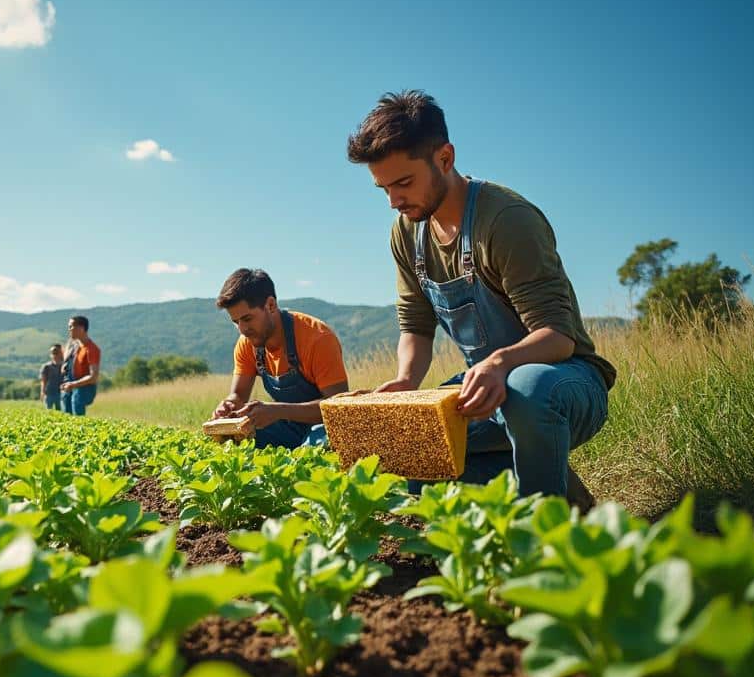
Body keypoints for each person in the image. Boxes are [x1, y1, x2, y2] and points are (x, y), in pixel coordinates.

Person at [346, 90, 614, 510]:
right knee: (410, 455)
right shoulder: (407, 231)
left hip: (562, 383)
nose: (394, 201)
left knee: (524, 389)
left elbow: (558, 337)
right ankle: (570, 501)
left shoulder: (506, 220)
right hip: (487, 386)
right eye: (383, 188)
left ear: (445, 158)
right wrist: (405, 383)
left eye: (403, 183)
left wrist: (499, 363)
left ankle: (545, 537)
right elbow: (415, 325)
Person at [211, 268, 349, 448]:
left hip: (323, 426)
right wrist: (228, 406)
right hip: (286, 425)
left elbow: (338, 408)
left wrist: (277, 411)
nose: (242, 329)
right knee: (232, 440)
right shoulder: (247, 342)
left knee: (319, 446)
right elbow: (238, 395)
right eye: (236, 322)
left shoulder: (318, 338)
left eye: (247, 319)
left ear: (270, 305)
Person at [59, 316, 100, 416]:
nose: (69, 330)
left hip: (83, 388)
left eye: (71, 327)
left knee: (77, 416)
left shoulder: (91, 349)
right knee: (66, 415)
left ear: (81, 328)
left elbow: (93, 377)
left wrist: (73, 384)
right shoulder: (75, 347)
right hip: (72, 385)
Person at [39, 345, 64, 411]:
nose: (55, 354)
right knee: (49, 411)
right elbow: (43, 381)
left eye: (56, 352)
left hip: (61, 393)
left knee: (61, 413)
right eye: (53, 353)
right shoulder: (46, 366)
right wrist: (42, 392)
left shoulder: (64, 366)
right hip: (49, 393)